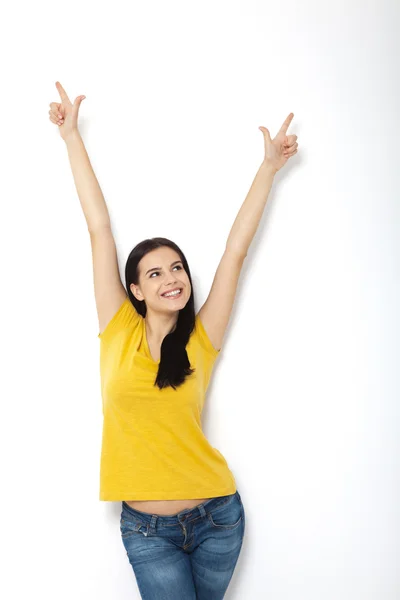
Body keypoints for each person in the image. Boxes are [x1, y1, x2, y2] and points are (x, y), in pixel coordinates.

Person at [48, 81, 298, 600]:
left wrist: (268, 168)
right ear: (135, 289)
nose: (172, 279)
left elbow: (235, 251)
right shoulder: (119, 327)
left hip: (217, 519)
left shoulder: (202, 337)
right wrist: (72, 136)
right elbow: (99, 228)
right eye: (155, 273)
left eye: (178, 268)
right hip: (146, 531)